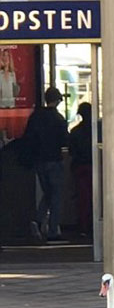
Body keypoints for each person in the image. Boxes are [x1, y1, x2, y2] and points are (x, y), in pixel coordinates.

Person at [23, 87, 69, 243]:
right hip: (54, 160)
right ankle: (53, 230)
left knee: (48, 192)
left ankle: (37, 220)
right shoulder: (58, 119)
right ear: (57, 101)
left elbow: (28, 138)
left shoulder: (35, 117)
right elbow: (65, 142)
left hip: (39, 161)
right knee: (55, 194)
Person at [69, 102, 93, 237]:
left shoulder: (75, 131)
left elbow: (71, 151)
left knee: (82, 198)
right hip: (94, 166)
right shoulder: (99, 129)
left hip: (79, 167)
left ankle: (83, 225)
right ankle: (93, 223)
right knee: (95, 196)